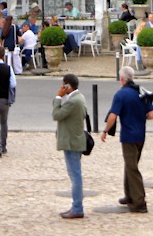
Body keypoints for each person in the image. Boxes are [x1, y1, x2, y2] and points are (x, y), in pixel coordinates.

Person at [102, 66, 153, 214]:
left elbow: (113, 115)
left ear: (122, 79)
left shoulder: (121, 94)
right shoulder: (141, 91)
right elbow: (151, 115)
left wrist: (105, 130)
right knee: (130, 165)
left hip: (128, 136)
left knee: (132, 168)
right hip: (141, 135)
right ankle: (129, 195)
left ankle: (139, 202)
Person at [52, 73, 87, 219]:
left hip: (71, 142)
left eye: (63, 85)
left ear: (67, 86)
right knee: (75, 175)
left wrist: (58, 97)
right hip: (75, 140)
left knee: (75, 176)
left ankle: (77, 207)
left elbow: (56, 115)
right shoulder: (79, 97)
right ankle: (75, 206)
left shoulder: (72, 101)